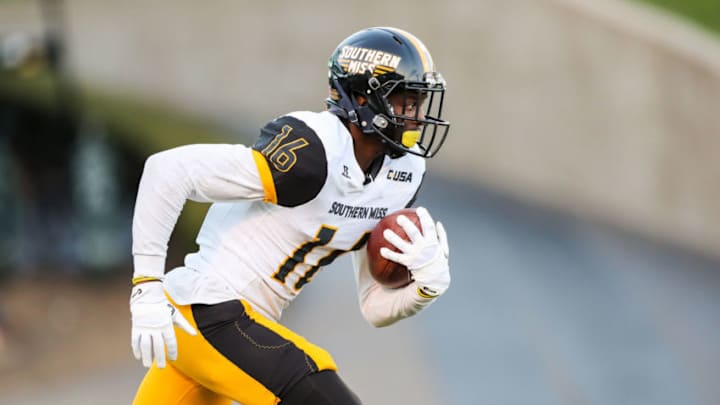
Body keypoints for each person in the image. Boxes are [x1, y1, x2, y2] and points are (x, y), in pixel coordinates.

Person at [130, 26, 452, 405]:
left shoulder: (403, 174)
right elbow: (166, 171)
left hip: (237, 329)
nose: (416, 117)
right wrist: (147, 286)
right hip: (203, 309)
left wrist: (423, 289)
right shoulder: (312, 152)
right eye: (406, 102)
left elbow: (373, 307)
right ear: (364, 98)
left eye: (418, 103)